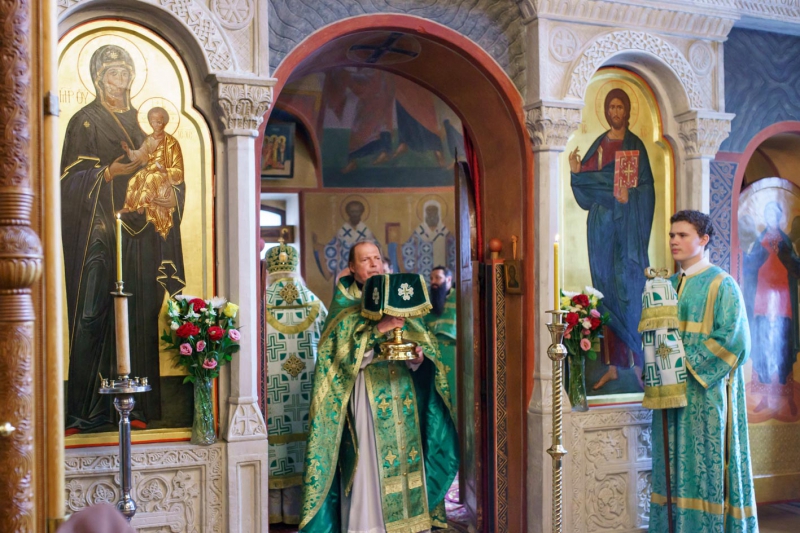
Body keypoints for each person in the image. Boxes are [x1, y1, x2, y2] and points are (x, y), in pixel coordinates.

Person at [60, 44, 186, 433]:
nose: (122, 80)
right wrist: (108, 173)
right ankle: (84, 410)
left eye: (127, 72)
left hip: (141, 235)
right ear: (98, 79)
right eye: (114, 73)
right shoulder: (85, 122)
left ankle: (140, 406)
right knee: (92, 310)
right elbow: (66, 184)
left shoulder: (146, 124)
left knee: (140, 311)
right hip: (96, 232)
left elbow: (173, 177)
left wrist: (166, 193)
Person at [300, 242, 458, 533]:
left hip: (404, 397)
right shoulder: (345, 308)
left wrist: (418, 357)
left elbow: (424, 349)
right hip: (366, 398)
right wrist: (379, 329)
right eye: (365, 260)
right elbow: (336, 359)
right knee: (370, 466)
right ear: (352, 268)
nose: (373, 263)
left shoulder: (401, 301)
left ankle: (410, 526)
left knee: (408, 461)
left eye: (376, 258)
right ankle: (370, 527)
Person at [649, 210, 757, 532]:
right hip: (668, 396)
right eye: (672, 235)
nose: (674, 241)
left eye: (683, 235)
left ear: (703, 239)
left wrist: (683, 364)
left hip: (706, 397)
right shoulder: (665, 286)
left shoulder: (722, 284)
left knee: (705, 466)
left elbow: (736, 338)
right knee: (669, 469)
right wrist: (657, 368)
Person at [570, 87, 655, 391]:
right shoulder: (600, 144)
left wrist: (630, 196)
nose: (615, 112)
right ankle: (613, 367)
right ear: (606, 111)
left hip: (627, 231)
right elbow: (587, 185)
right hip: (601, 228)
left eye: (620, 107)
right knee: (605, 291)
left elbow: (647, 188)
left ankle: (640, 364)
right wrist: (576, 172)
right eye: (611, 107)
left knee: (628, 290)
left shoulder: (635, 145)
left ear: (627, 111)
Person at [263, 238, 328, 525]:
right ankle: (296, 512)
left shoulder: (260, 304)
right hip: (305, 388)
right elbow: (328, 343)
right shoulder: (315, 303)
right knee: (301, 444)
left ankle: (271, 512)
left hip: (272, 392)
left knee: (275, 445)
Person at [742, 202, 798, 415]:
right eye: (768, 214)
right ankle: (764, 398)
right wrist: (755, 255)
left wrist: (782, 252)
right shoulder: (760, 240)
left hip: (784, 302)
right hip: (762, 301)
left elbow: (796, 267)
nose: (771, 217)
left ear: (780, 217)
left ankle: (789, 398)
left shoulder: (785, 241)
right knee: (762, 350)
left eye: (775, 214)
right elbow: (749, 266)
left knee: (784, 350)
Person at [121, 107, 184, 239]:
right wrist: (129, 152)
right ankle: (128, 206)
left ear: (164, 122)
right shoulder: (149, 140)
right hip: (150, 169)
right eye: (152, 122)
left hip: (163, 175)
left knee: (150, 178)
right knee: (134, 179)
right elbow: (141, 155)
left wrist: (165, 170)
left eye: (158, 122)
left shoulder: (172, 143)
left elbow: (178, 170)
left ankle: (143, 204)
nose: (155, 125)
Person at [315, 199, 380, 282]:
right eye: (352, 212)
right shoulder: (342, 231)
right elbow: (332, 249)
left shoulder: (366, 232)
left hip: (363, 269)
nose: (355, 214)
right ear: (348, 213)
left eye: (357, 211)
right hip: (344, 266)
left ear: (361, 212)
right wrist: (320, 248)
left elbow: (377, 250)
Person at [425, 266, 457, 419]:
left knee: (454, 394)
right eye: (431, 278)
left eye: (438, 278)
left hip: (453, 353)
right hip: (432, 354)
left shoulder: (460, 297)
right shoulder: (429, 301)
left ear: (448, 279)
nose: (434, 282)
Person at [401, 200, 456, 282]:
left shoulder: (445, 233)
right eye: (429, 212)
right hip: (422, 273)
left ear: (439, 214)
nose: (432, 215)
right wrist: (397, 247)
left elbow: (454, 250)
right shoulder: (418, 233)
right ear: (424, 214)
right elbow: (408, 248)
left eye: (434, 212)